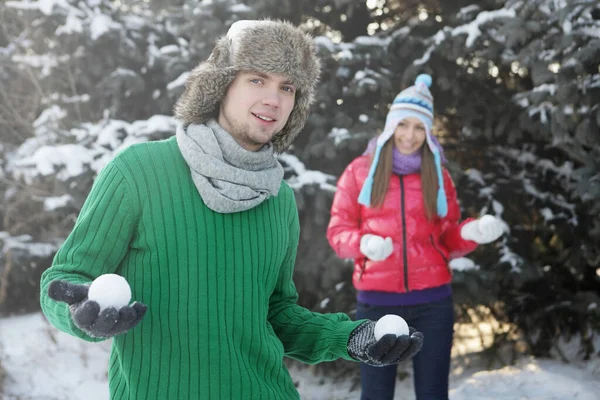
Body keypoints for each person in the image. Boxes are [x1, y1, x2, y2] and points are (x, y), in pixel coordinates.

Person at [39, 20, 424, 400]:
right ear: (221, 83)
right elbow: (63, 279)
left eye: (287, 87)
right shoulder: (138, 171)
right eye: (257, 79)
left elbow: (276, 314)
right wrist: (79, 310)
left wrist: (350, 337)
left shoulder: (278, 199)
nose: (273, 99)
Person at [326, 74, 505, 400]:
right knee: (376, 394)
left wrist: (472, 232)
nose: (410, 135)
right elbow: (338, 232)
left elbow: (448, 237)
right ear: (391, 124)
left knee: (434, 393)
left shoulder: (437, 174)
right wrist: (364, 244)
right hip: (377, 304)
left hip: (433, 303)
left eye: (419, 127)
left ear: (428, 131)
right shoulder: (359, 171)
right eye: (403, 124)